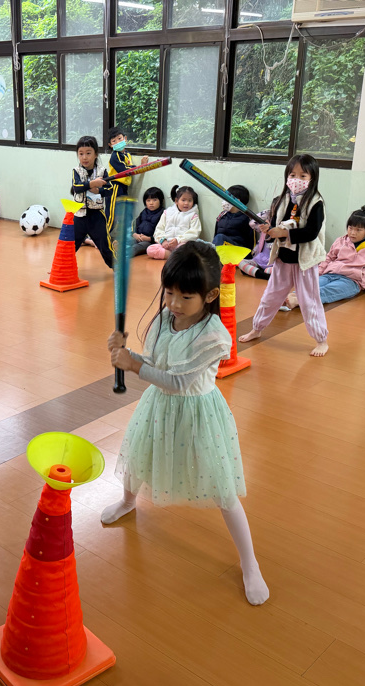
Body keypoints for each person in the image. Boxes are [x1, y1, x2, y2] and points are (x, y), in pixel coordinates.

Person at [105, 241, 269, 606]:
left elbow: (178, 382)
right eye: (169, 293)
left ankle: (250, 563)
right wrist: (126, 354)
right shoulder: (165, 319)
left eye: (185, 297)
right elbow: (157, 363)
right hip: (159, 406)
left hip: (197, 413)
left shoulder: (215, 336)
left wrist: (133, 365)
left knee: (222, 488)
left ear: (210, 295)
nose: (174, 304)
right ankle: (127, 501)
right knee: (139, 456)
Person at [237, 154, 329, 357]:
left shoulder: (316, 202)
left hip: (305, 262)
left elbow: (311, 233)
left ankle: (321, 340)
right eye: (292, 174)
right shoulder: (281, 200)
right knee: (270, 297)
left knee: (309, 301)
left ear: (312, 178)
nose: (296, 179)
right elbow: (274, 227)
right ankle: (257, 328)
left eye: (303, 175)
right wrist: (269, 230)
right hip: (283, 259)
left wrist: (285, 233)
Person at [282, 205, 365, 309]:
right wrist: (318, 274)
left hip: (352, 281)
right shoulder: (341, 241)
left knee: (328, 291)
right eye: (350, 228)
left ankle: (298, 301)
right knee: (310, 285)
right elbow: (329, 258)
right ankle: (289, 298)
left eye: (358, 230)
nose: (352, 233)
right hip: (329, 274)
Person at [70, 136, 114, 269]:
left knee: (105, 245)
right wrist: (92, 184)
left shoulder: (102, 171)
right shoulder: (76, 171)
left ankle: (117, 268)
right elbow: (76, 187)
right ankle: (59, 267)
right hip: (79, 215)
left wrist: (98, 190)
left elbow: (110, 190)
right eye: (81, 154)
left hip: (97, 216)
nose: (84, 157)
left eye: (88, 153)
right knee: (69, 244)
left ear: (95, 154)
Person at [102, 126, 148, 237]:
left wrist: (140, 167)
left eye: (119, 138)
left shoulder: (126, 154)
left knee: (124, 213)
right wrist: (140, 167)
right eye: (114, 141)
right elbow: (125, 170)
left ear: (125, 138)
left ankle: (119, 237)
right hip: (114, 187)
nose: (118, 142)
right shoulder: (115, 156)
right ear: (110, 145)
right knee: (111, 215)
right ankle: (101, 238)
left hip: (123, 187)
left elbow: (129, 168)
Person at [146, 186, 201, 261]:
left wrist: (178, 240)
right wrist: (163, 241)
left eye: (190, 200)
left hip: (182, 244)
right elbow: (159, 229)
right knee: (150, 249)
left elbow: (194, 233)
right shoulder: (167, 212)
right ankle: (173, 256)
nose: (186, 203)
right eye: (183, 200)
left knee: (187, 250)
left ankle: (174, 256)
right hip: (166, 245)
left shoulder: (193, 215)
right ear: (176, 201)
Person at [212, 185, 255, 249]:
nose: (225, 201)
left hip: (237, 249)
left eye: (228, 198)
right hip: (222, 248)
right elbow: (215, 236)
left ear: (237, 201)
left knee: (220, 237)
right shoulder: (222, 215)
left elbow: (250, 242)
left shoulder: (246, 218)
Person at [238, 211, 274, 280]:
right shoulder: (264, 230)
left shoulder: (280, 231)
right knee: (240, 262)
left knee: (270, 270)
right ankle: (262, 274)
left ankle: (256, 272)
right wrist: (269, 213)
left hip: (273, 264)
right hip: (259, 260)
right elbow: (252, 223)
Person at [131, 187, 165, 257]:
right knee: (127, 241)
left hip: (149, 241)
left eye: (154, 200)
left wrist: (149, 238)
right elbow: (136, 224)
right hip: (138, 237)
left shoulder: (163, 213)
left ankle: (125, 254)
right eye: (148, 200)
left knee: (137, 247)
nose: (151, 203)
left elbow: (162, 233)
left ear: (161, 201)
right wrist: (135, 234)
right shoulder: (144, 212)